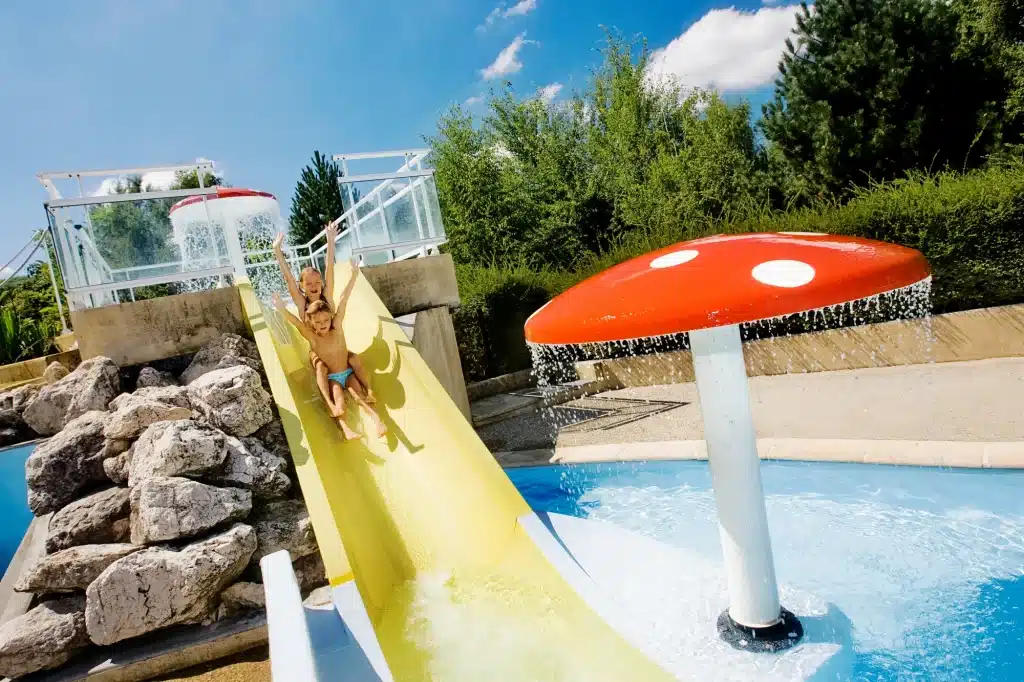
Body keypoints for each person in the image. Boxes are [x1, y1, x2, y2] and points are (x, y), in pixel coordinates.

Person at [272, 275, 387, 440]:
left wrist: (353, 275)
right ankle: (346, 429)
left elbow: (343, 300)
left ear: (331, 318)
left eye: (326, 319)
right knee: (339, 402)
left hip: (347, 372)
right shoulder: (313, 337)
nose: (323, 323)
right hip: (333, 377)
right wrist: (281, 309)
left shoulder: (337, 330)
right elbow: (296, 322)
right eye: (317, 322)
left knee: (358, 396)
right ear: (311, 323)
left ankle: (377, 421)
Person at [272, 223, 376, 404]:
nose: (313, 287)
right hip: (317, 351)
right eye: (308, 284)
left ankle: (368, 391)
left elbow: (329, 270)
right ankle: (330, 402)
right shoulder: (302, 303)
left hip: (335, 349)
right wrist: (277, 252)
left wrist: (330, 241)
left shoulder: (326, 297)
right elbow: (289, 279)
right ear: (302, 287)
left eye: (316, 283)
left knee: (354, 359)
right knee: (320, 365)